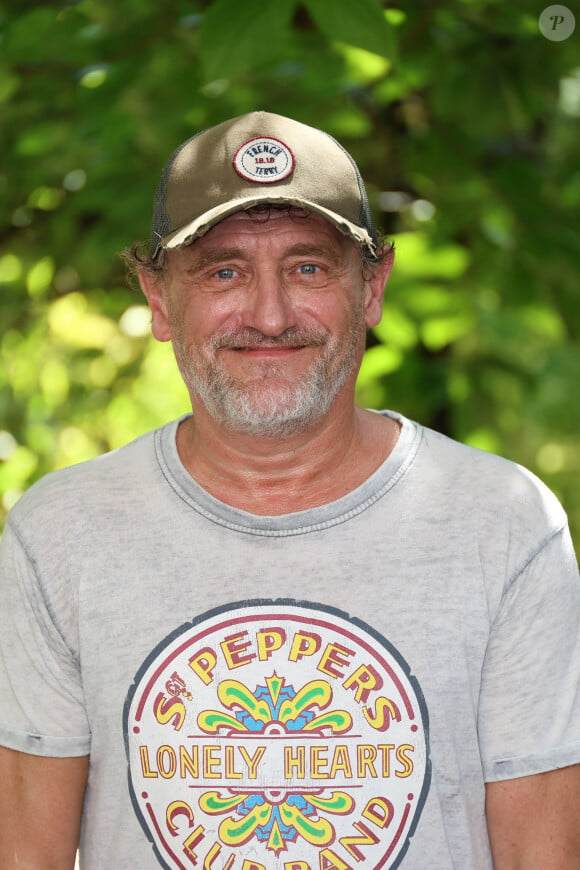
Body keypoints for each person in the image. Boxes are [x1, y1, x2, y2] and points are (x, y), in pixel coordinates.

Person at [0, 111, 579, 870]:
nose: (269, 316)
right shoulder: (60, 533)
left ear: (372, 289)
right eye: (223, 272)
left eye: (308, 268)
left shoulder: (503, 523)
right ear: (160, 298)